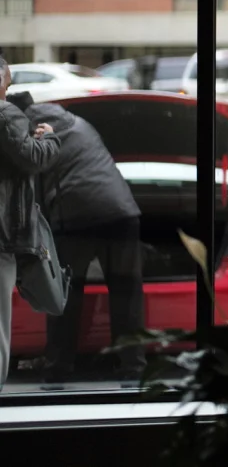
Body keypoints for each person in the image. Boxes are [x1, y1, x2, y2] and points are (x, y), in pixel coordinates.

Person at [8, 93, 144, 383]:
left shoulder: (31, 137)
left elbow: (33, 194)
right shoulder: (79, 123)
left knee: (64, 294)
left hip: (76, 218)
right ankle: (133, 367)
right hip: (122, 213)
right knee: (126, 294)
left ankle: (59, 367)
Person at [0, 56, 61, 389]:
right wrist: (49, 138)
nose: (7, 93)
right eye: (6, 85)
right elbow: (32, 158)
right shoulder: (5, 114)